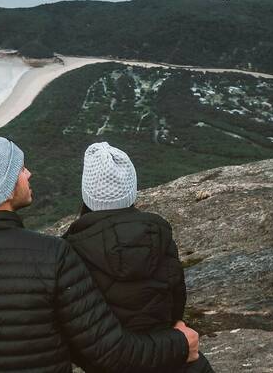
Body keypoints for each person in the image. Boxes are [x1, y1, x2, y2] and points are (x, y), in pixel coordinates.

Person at [0, 136, 200, 373]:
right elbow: (109, 352)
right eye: (21, 169)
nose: (29, 173)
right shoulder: (53, 256)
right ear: (8, 189)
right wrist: (179, 343)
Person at [63, 142, 214, 373]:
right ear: (131, 190)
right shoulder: (159, 235)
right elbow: (176, 304)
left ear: (87, 194)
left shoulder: (68, 249)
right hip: (174, 358)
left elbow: (78, 331)